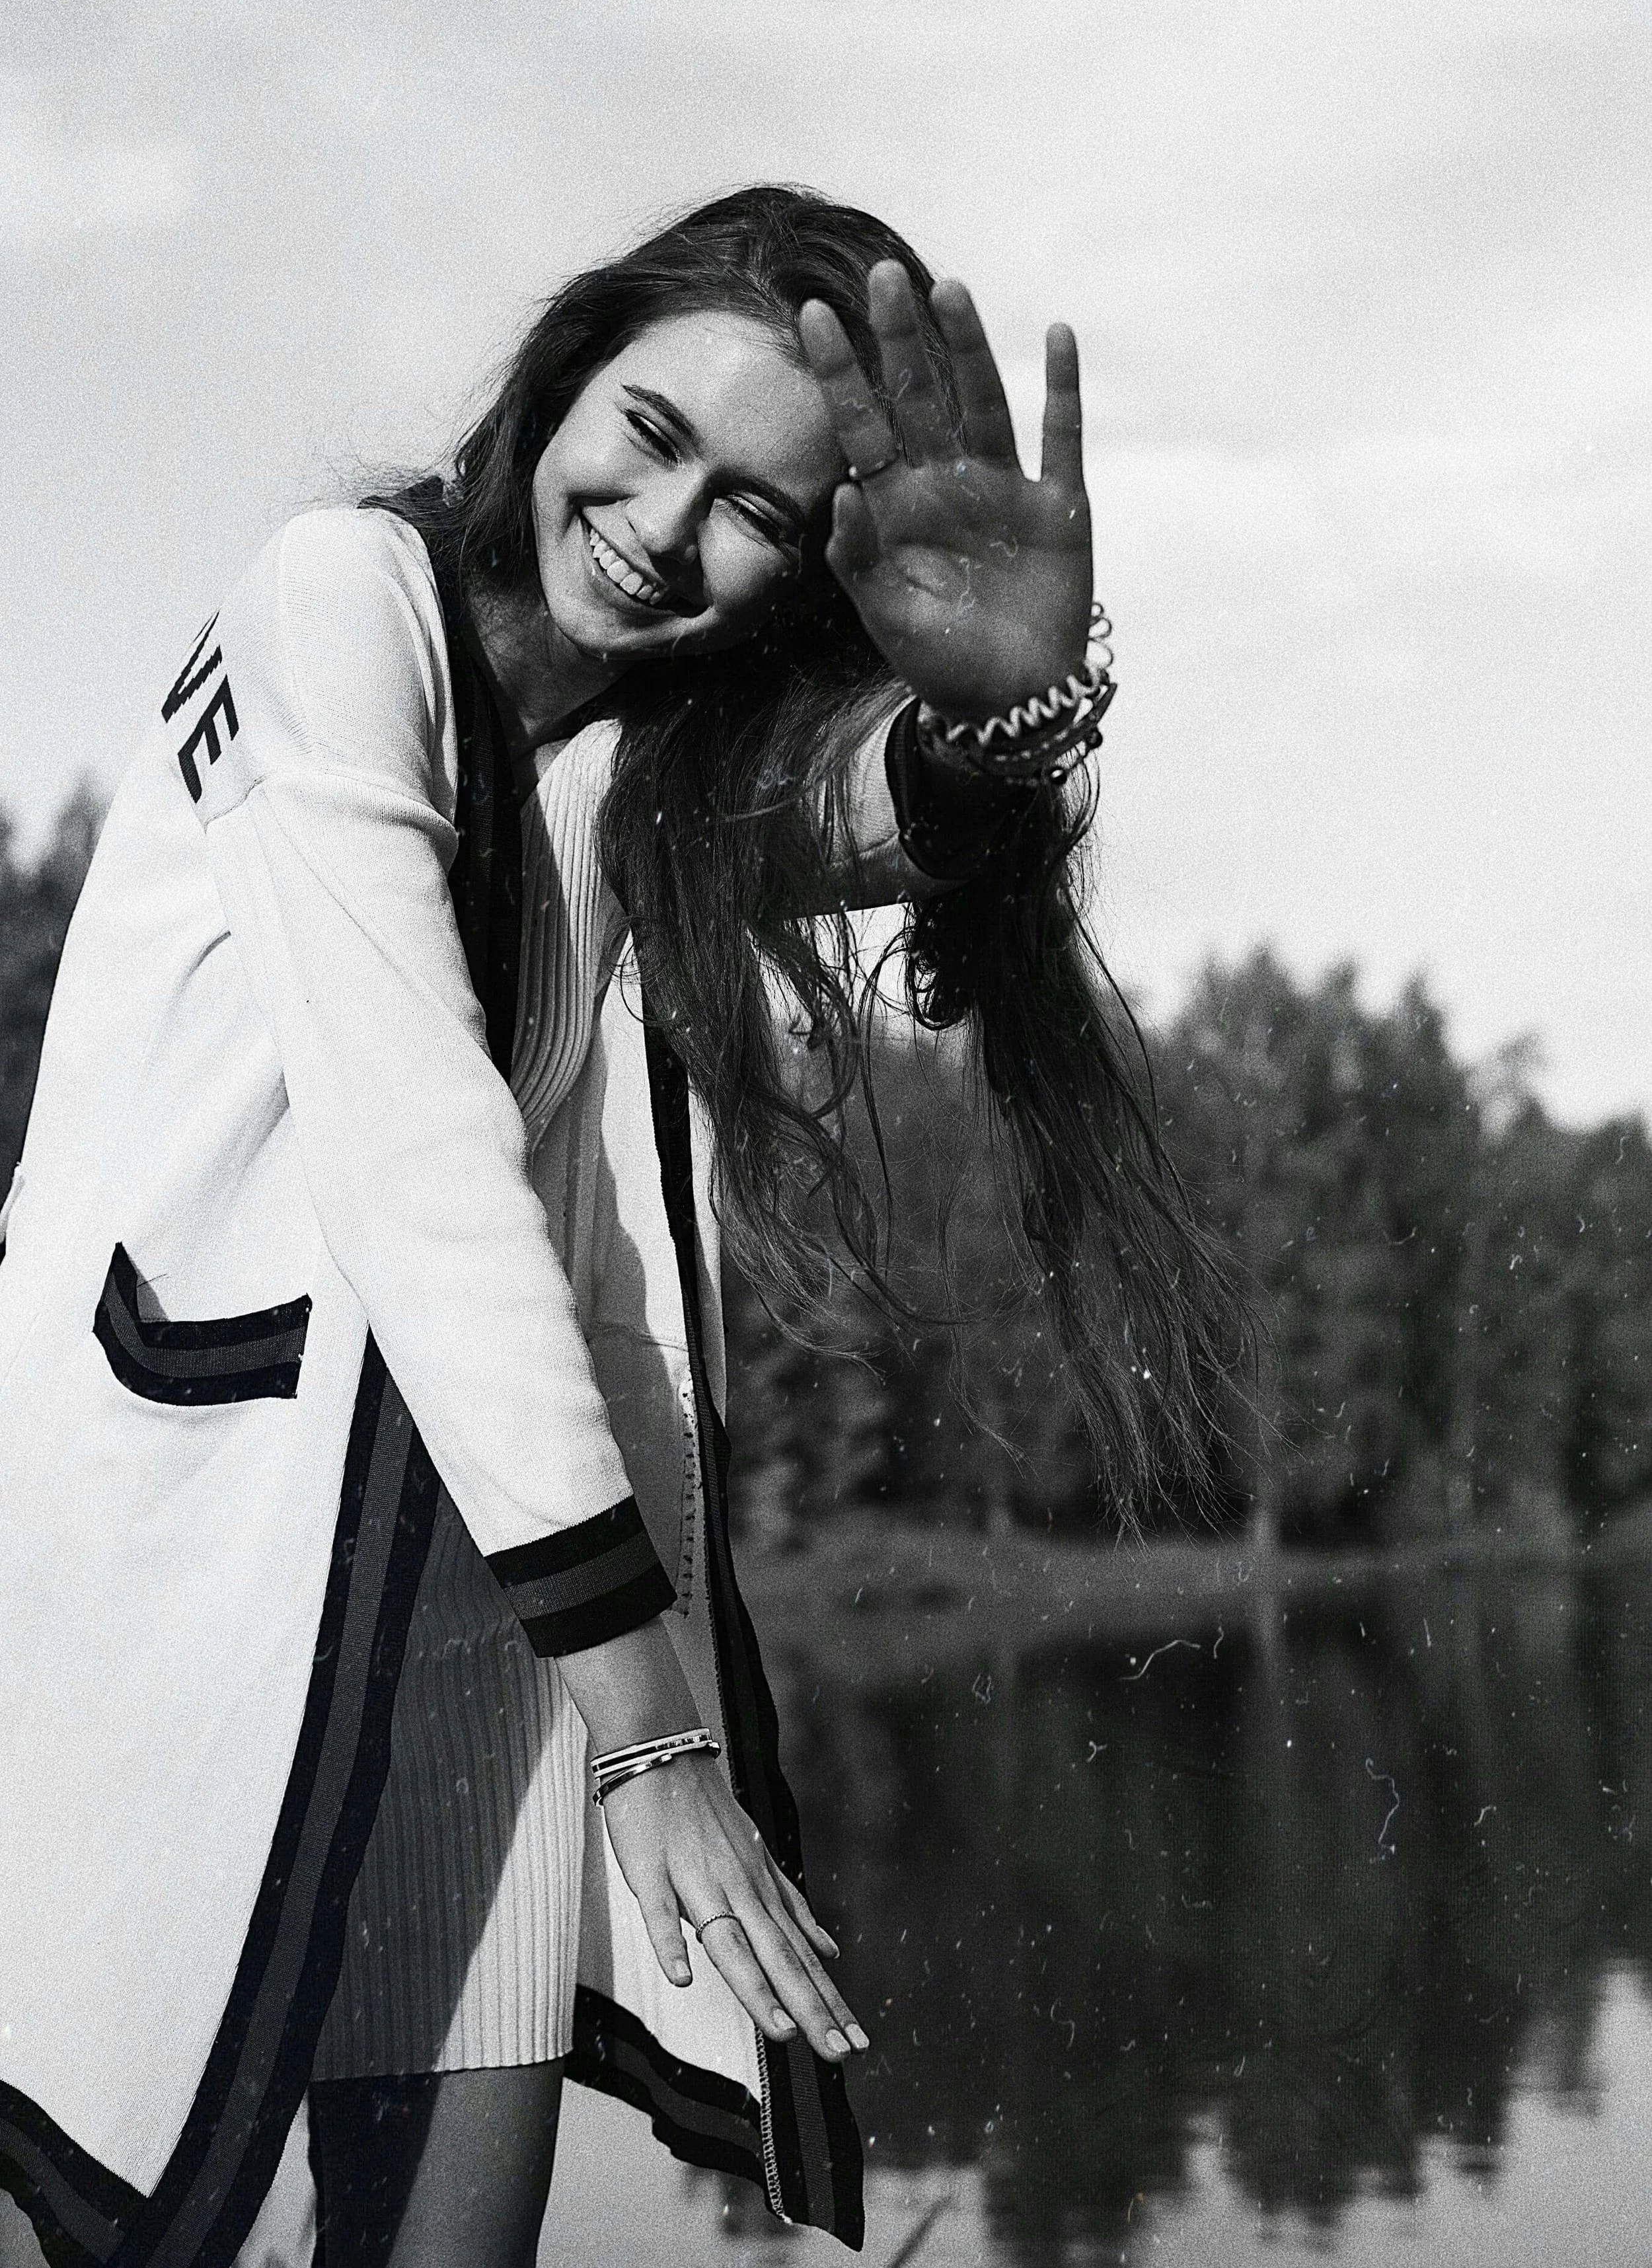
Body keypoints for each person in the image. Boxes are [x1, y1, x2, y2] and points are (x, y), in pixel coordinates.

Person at [0, 188, 1235, 2268]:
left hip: (484, 1619)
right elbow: (416, 1162)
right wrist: (655, 1732)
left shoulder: (644, 771)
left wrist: (1009, 715)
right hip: (172, 1572)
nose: (662, 529)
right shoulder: (339, 599)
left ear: (805, 576)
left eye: (755, 507)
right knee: (111, 2181)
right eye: (649, 431)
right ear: (567, 366)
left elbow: (908, 817)